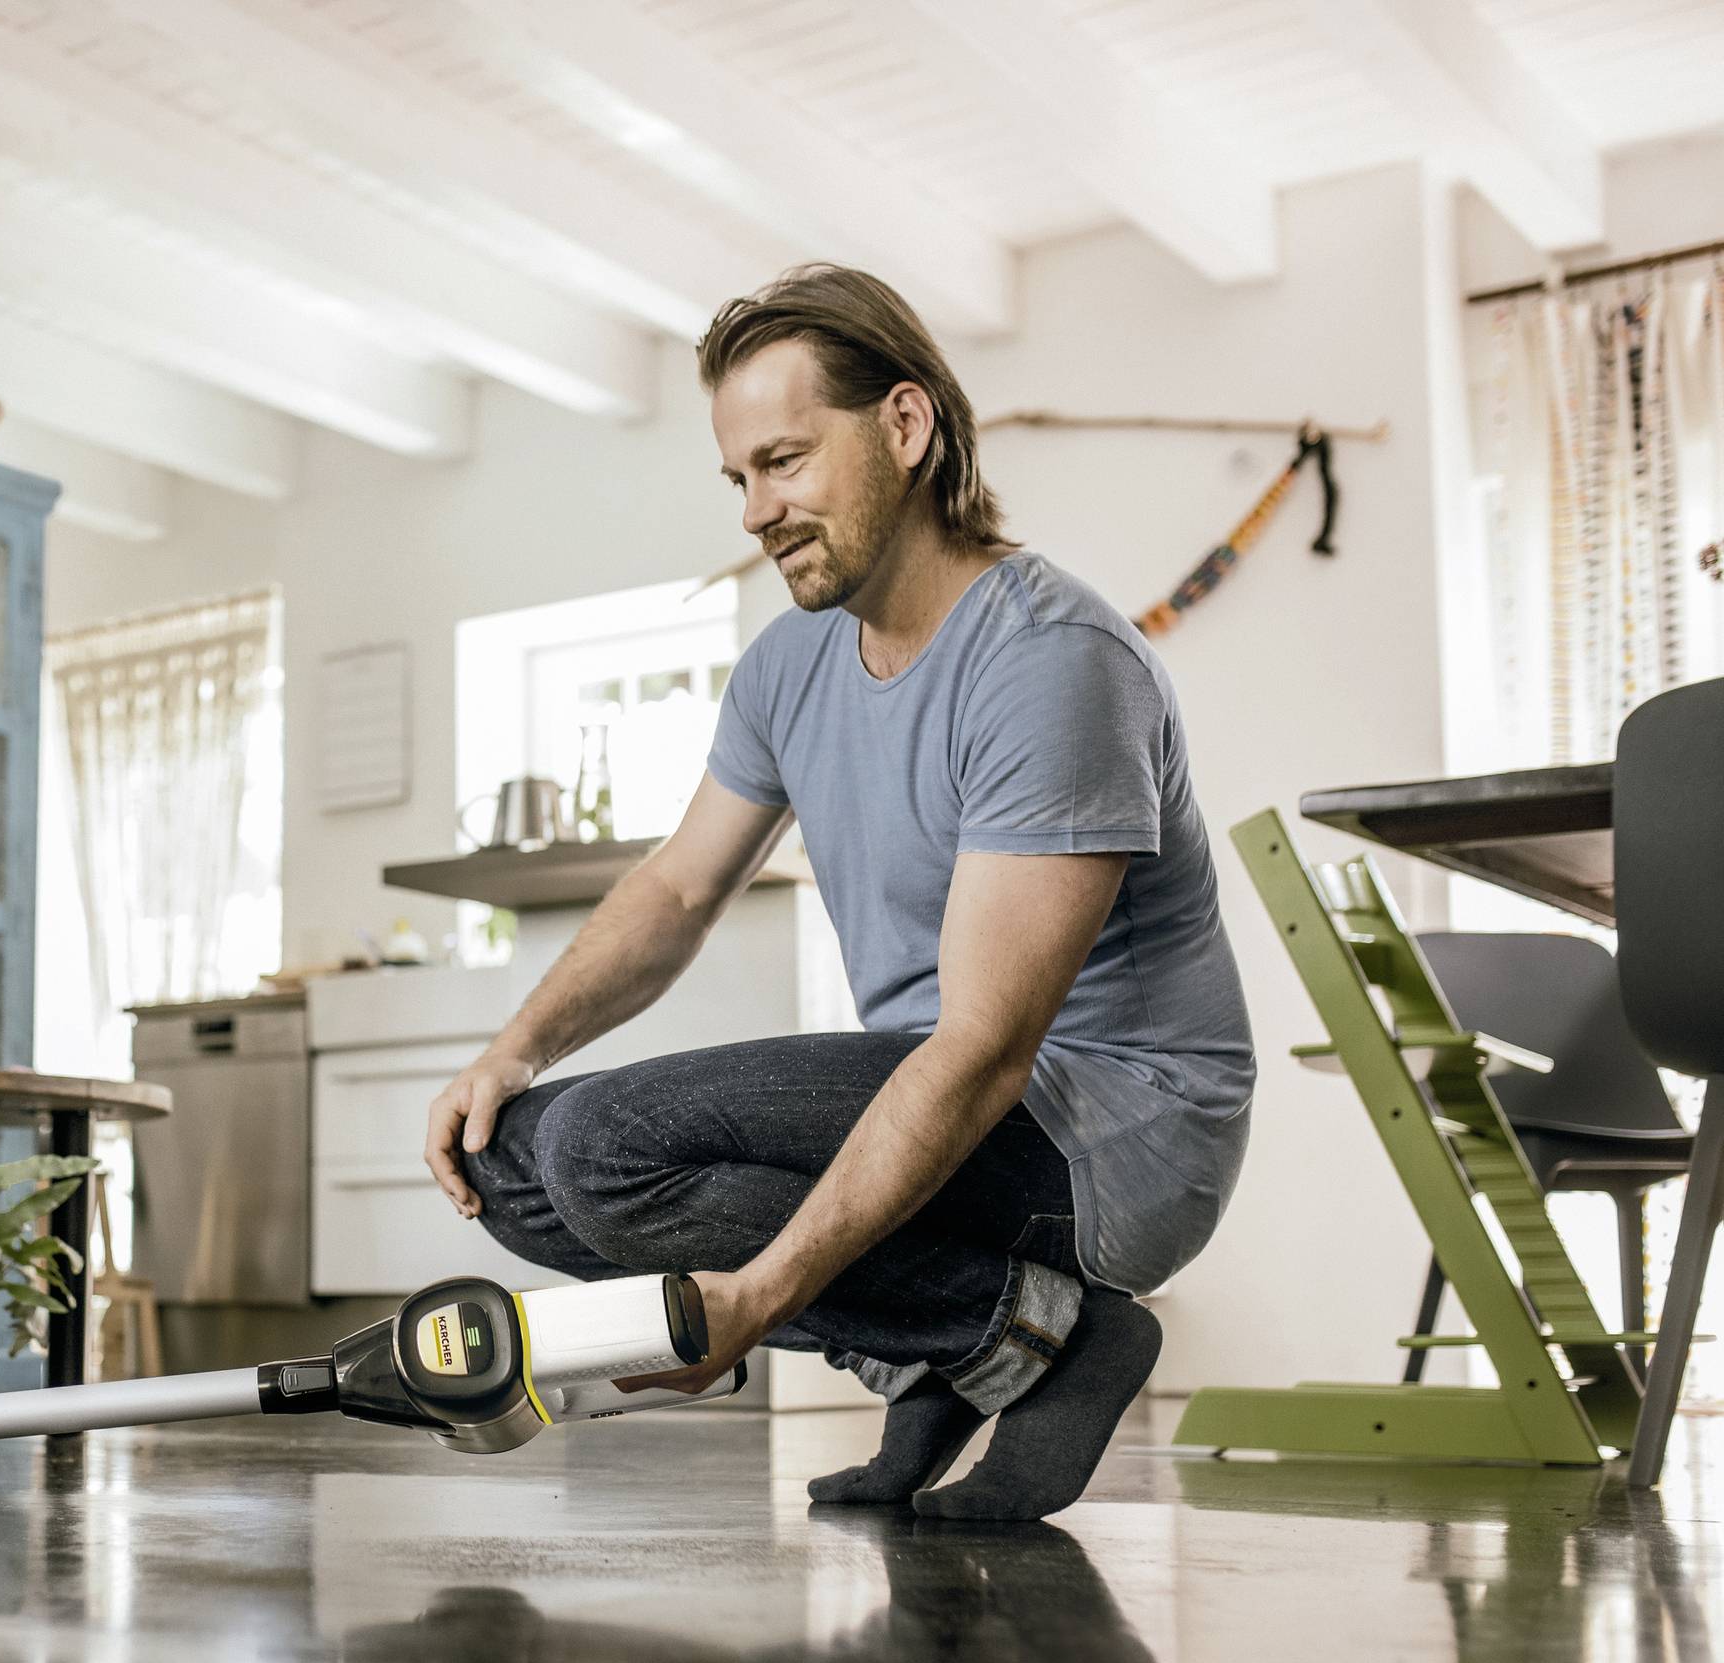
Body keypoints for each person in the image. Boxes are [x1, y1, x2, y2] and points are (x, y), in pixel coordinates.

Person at [424, 265, 1253, 1521]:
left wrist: (755, 1301)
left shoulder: (1052, 664)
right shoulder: (788, 665)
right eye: (739, 478)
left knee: (608, 1151)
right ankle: (965, 1339)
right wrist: (510, 1052)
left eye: (787, 461)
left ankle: (1047, 1338)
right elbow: (679, 889)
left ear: (907, 428)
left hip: (1112, 1137)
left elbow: (982, 1051)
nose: (756, 509)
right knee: (521, 1162)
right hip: (965, 1099)